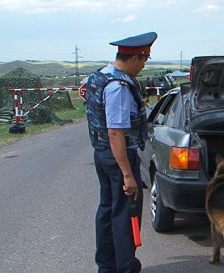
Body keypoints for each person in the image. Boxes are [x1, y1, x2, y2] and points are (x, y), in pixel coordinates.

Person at [85, 32, 157, 273]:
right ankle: (125, 267)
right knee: (126, 214)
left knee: (107, 209)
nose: (144, 65)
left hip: (102, 154)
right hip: (119, 156)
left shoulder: (100, 77)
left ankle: (106, 266)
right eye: (145, 60)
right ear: (136, 57)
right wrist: (127, 174)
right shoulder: (118, 86)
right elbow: (116, 132)